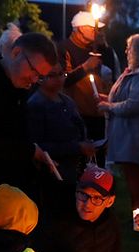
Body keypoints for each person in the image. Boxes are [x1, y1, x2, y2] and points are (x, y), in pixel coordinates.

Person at [0, 32, 57, 236]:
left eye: (40, 76)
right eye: (33, 70)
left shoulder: (19, 90)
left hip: (9, 197)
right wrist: (28, 151)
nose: (34, 79)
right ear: (16, 52)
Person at [101, 34, 139, 211]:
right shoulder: (134, 73)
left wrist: (109, 106)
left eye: (129, 48)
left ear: (138, 52)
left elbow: (135, 104)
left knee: (136, 180)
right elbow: (125, 98)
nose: (126, 52)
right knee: (133, 178)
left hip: (135, 137)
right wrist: (107, 100)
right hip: (128, 136)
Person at [26, 61, 93, 205]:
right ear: (40, 78)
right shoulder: (36, 105)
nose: (59, 79)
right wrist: (77, 147)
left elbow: (78, 128)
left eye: (61, 74)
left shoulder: (67, 101)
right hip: (52, 174)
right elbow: (37, 145)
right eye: (52, 75)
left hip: (74, 171)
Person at [57, 11, 106, 147]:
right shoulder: (63, 48)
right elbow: (63, 80)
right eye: (92, 28)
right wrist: (85, 67)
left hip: (97, 113)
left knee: (98, 158)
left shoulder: (94, 49)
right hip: (77, 113)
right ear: (80, 28)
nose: (96, 31)